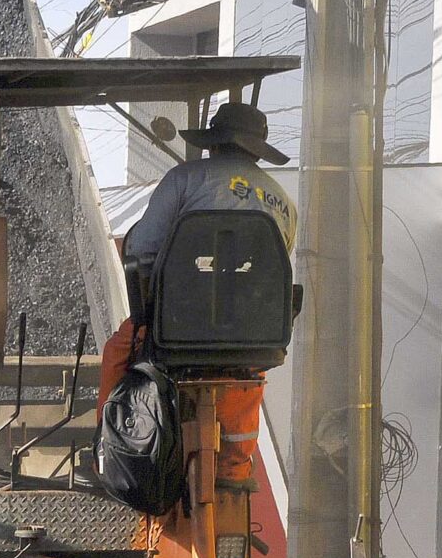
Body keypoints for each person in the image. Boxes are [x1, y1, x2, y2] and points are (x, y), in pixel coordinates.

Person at [100, 99, 300, 406]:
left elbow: (141, 250)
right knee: (247, 384)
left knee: (117, 351)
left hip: (176, 327)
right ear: (257, 151)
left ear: (214, 145)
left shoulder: (184, 179)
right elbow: (273, 271)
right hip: (251, 337)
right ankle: (236, 452)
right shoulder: (284, 202)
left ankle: (110, 442)